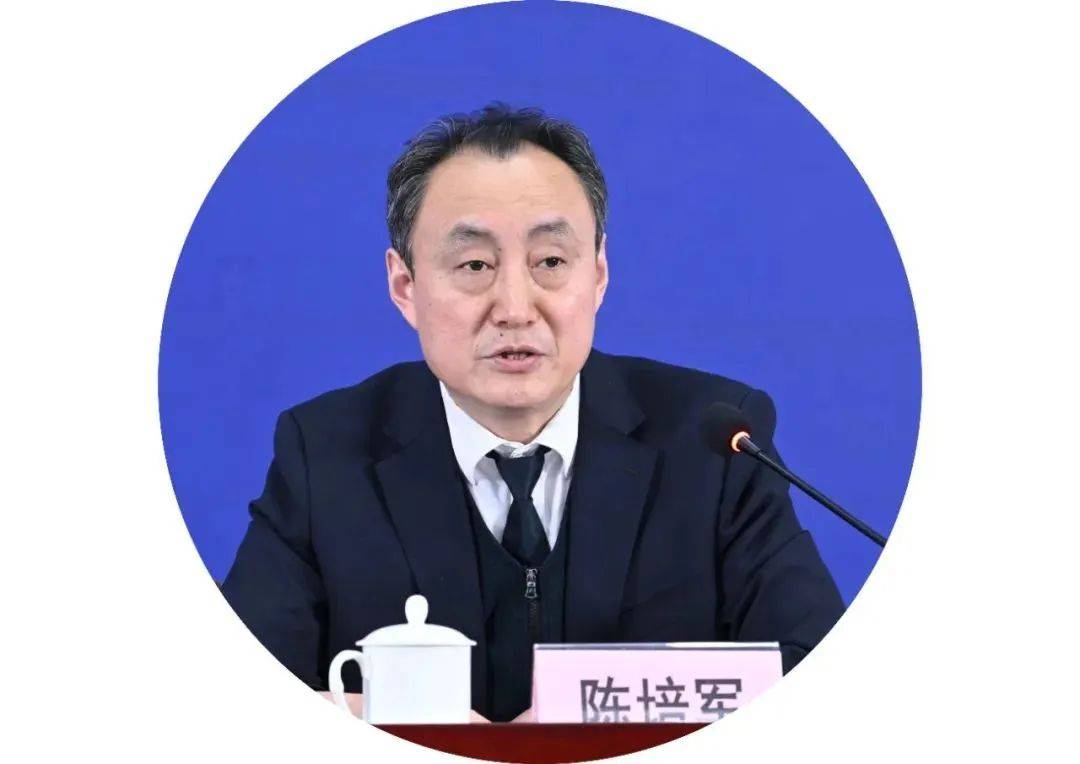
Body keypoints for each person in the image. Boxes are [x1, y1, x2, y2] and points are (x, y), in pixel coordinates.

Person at [221, 103, 845, 723]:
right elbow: (231, 699)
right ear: (405, 287)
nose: (516, 308)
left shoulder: (715, 443)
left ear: (597, 276)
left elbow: (817, 673)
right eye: (474, 265)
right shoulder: (325, 455)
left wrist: (579, 719)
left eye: (550, 262)